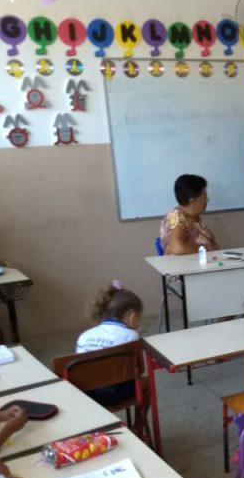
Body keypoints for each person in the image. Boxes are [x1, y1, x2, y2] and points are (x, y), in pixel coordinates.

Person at [76, 282, 148, 414]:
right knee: (147, 382)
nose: (139, 323)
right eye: (139, 318)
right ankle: (140, 421)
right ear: (132, 316)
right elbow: (137, 369)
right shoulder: (131, 336)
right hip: (115, 393)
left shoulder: (84, 336)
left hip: (86, 393)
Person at [160, 174, 219, 255]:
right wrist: (207, 250)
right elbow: (177, 248)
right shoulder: (177, 217)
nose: (206, 203)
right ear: (193, 201)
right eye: (205, 199)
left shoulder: (192, 217)